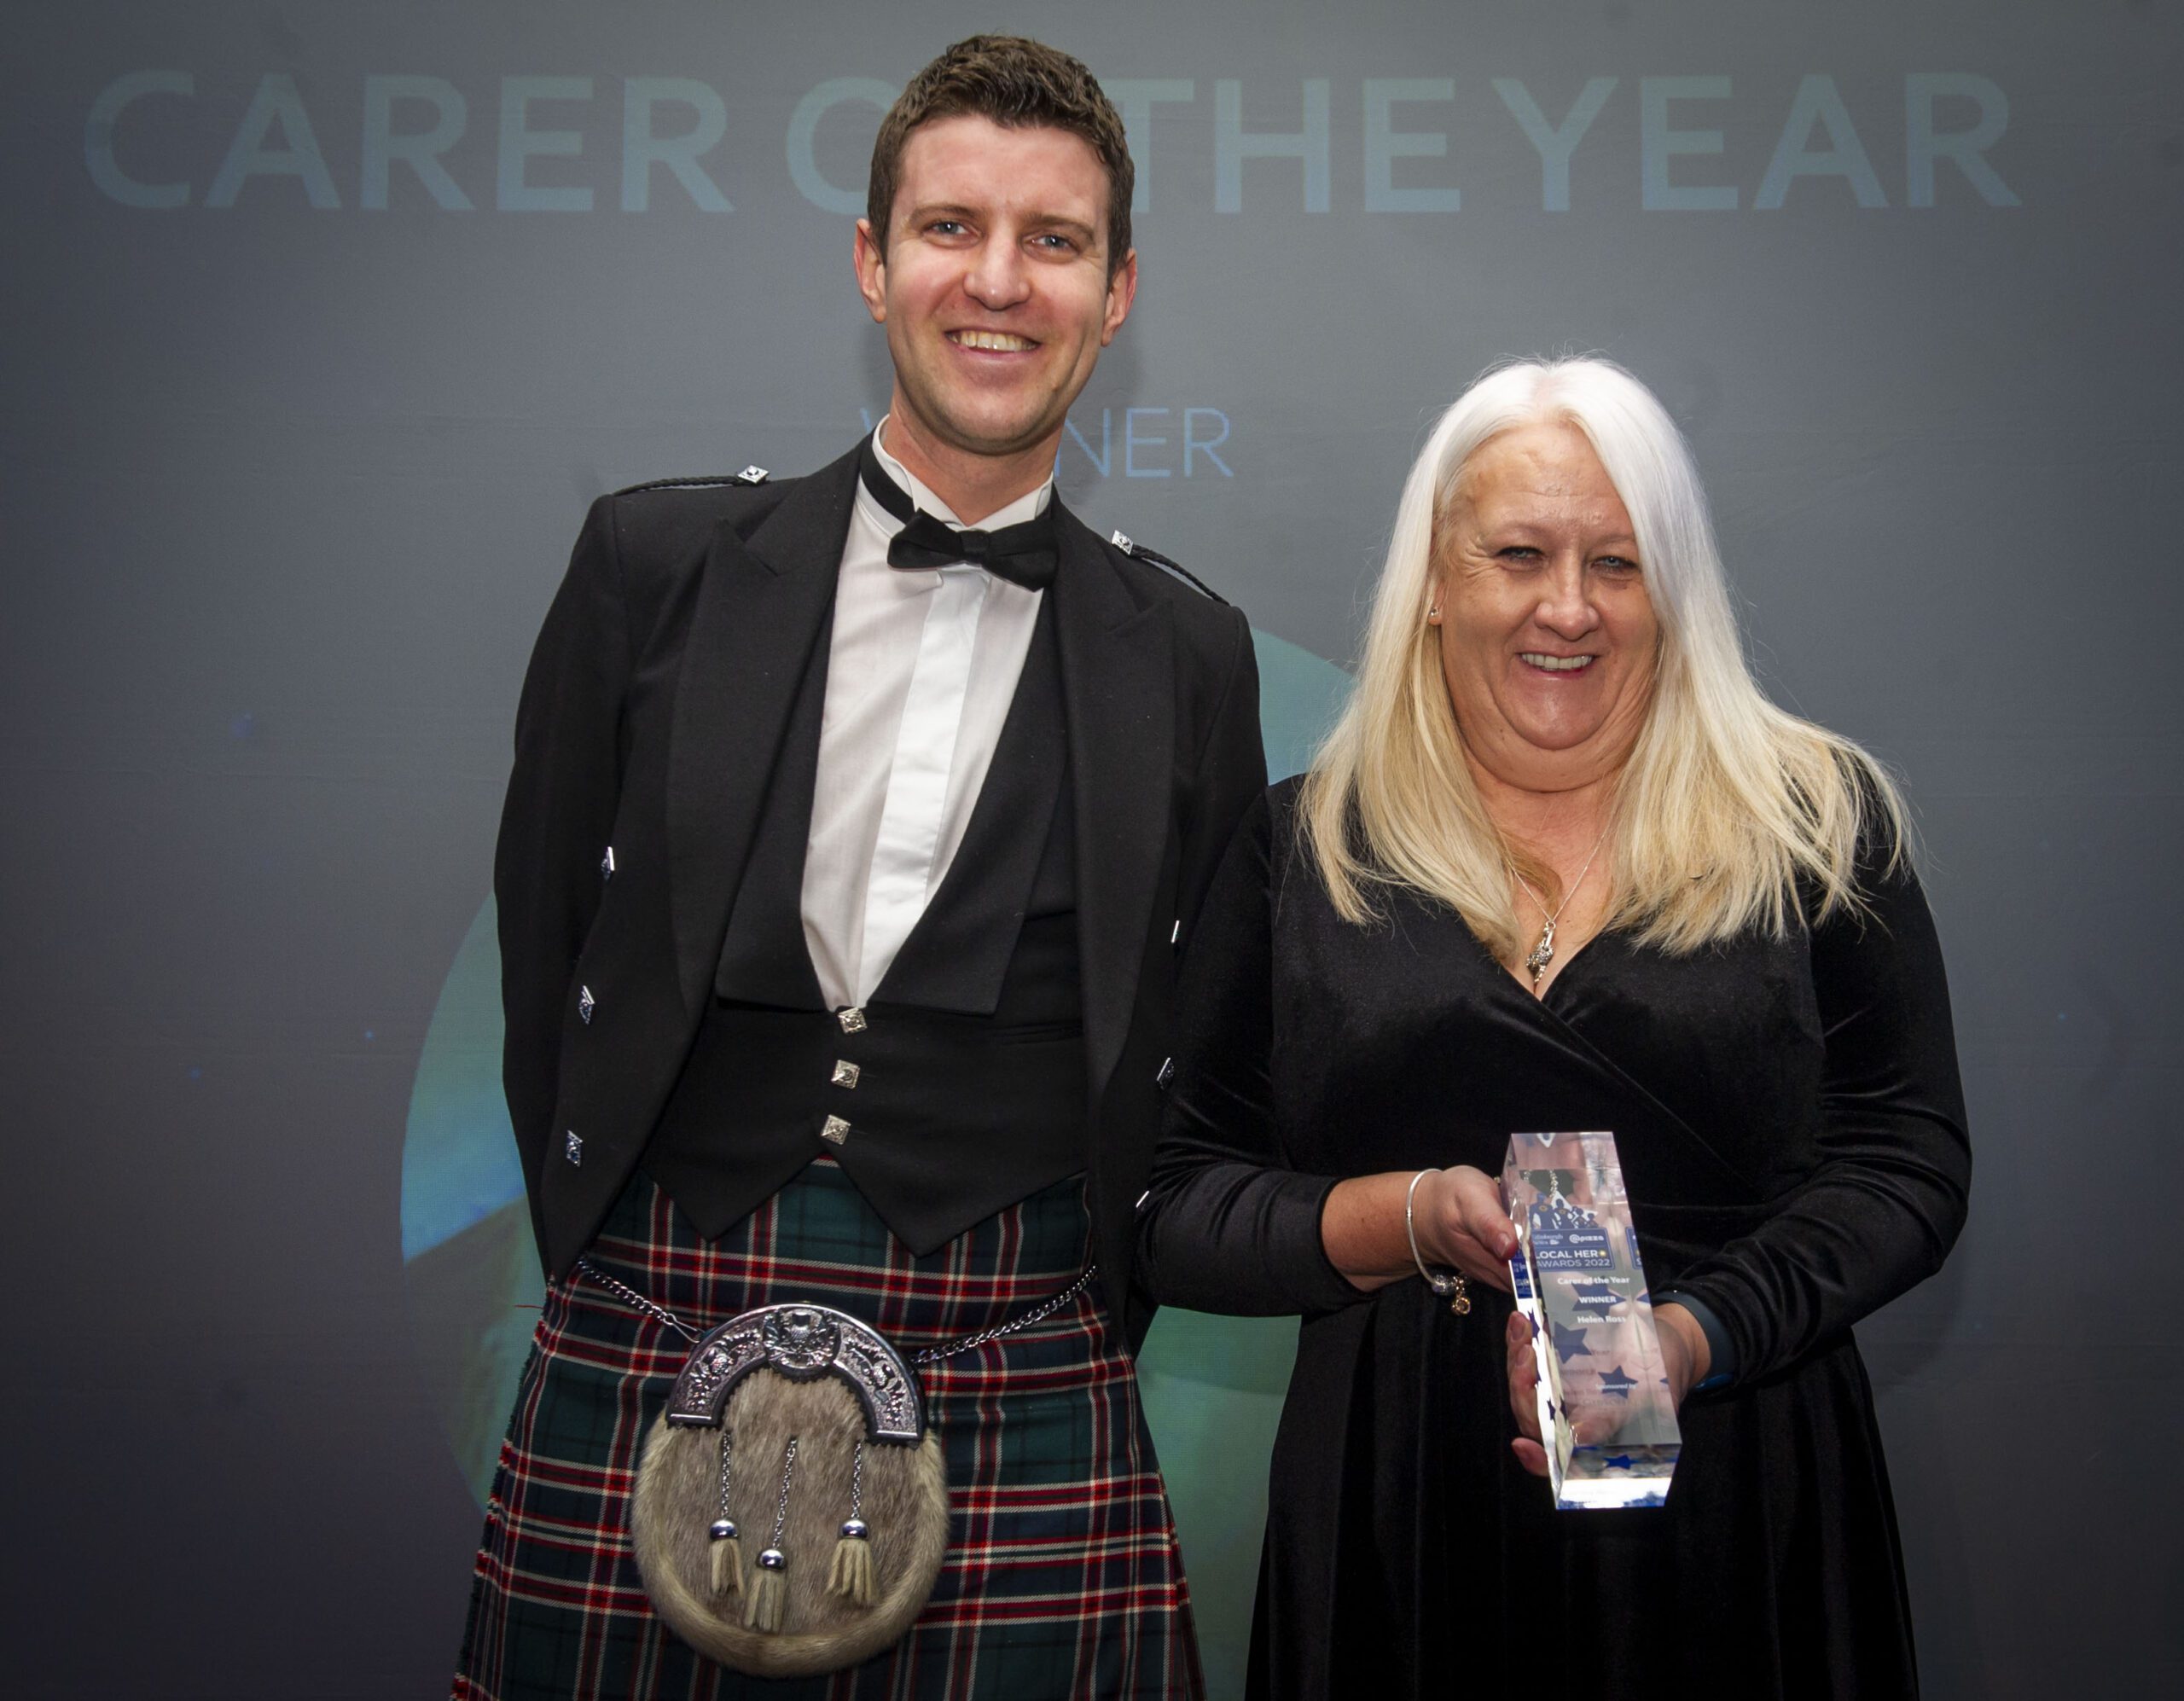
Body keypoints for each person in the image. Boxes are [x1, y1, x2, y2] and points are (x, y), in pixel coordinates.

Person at [459, 35, 1263, 1700]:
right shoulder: (654, 563)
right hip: (654, 1319)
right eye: (950, 226)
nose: (999, 281)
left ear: (1116, 293)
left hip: (1016, 1356)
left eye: (1054, 241)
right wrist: (605, 1254)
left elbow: (1190, 1041)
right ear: (871, 261)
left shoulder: (1189, 654)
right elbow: (547, 954)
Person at [1137, 357, 1970, 1698]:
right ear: (1435, 581)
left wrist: (1691, 1334)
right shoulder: (1307, 845)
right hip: (1397, 1508)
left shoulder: (1817, 826)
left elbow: (1908, 1165)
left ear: (1674, 588)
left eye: (1617, 563)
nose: (1568, 607)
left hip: (1740, 1485)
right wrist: (1407, 1216)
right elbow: (1177, 1202)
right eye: (1519, 554)